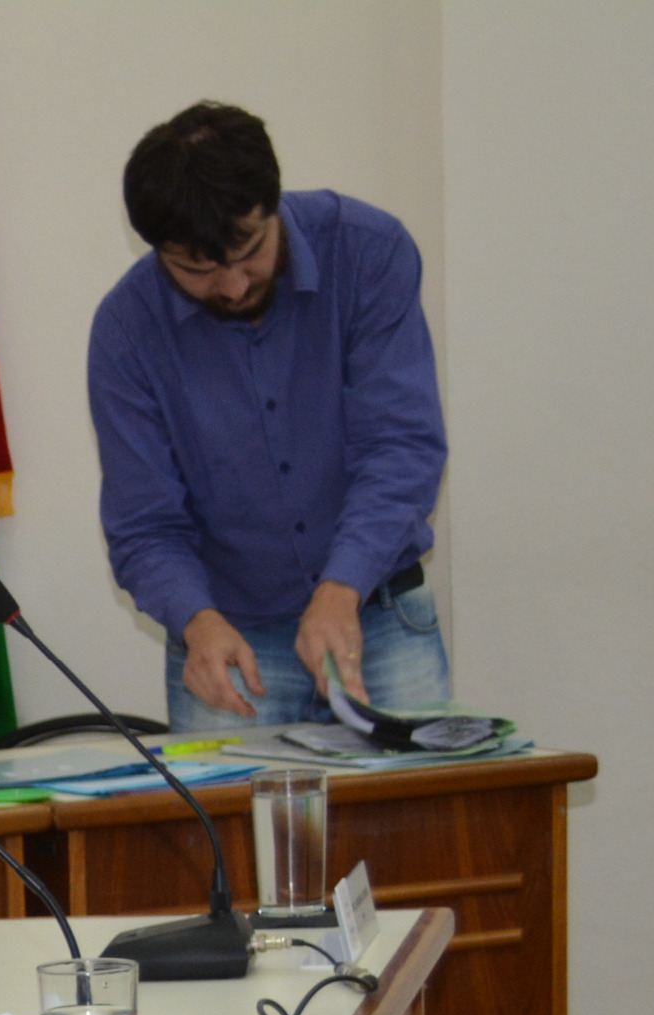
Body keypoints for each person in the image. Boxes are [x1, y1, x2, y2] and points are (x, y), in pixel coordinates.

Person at [87, 101, 451, 726]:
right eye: (197, 270)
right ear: (157, 250)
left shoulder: (368, 253)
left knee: (424, 795)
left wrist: (341, 586)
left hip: (378, 616)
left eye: (248, 250)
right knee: (224, 800)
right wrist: (197, 621)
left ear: (274, 204)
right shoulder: (126, 331)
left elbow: (400, 446)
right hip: (227, 640)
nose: (232, 286)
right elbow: (144, 524)